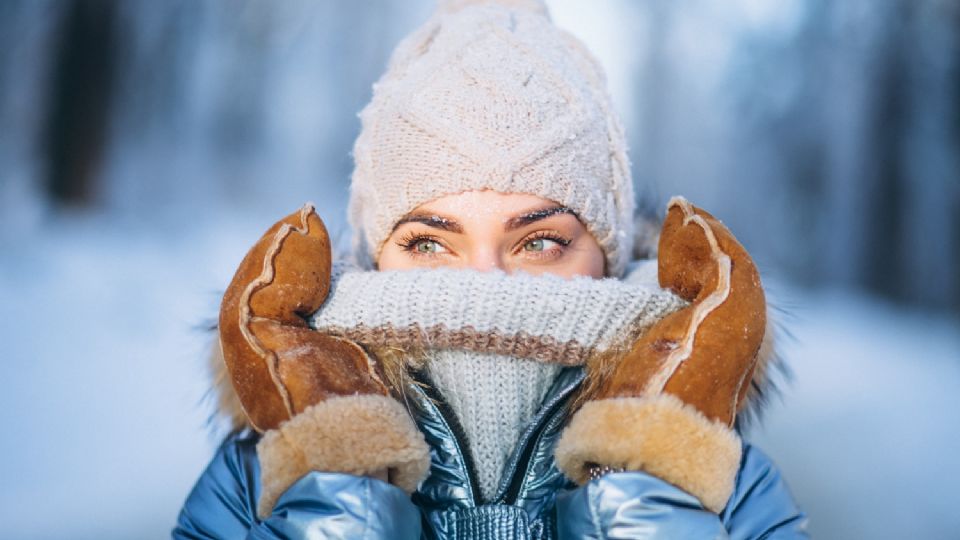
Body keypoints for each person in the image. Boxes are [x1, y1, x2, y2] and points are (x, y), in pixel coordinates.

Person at [173, 1, 808, 538]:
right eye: (428, 244)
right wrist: (334, 492)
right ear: (372, 256)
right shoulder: (258, 480)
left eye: (540, 243)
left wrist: (652, 487)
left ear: (610, 257)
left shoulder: (721, 485)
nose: (483, 286)